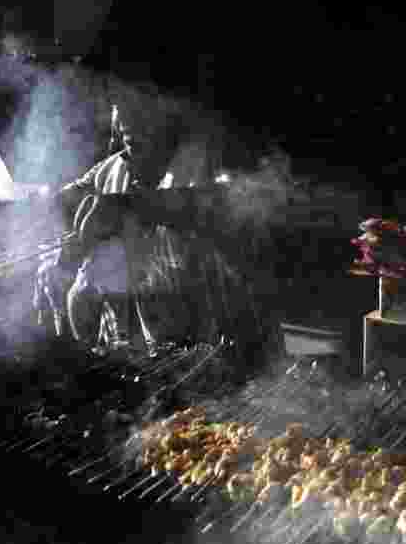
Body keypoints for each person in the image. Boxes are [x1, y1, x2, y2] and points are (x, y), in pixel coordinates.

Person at [40, 108, 283, 372]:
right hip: (151, 375)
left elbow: (236, 202)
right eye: (119, 102)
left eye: (140, 100)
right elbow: (61, 204)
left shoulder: (219, 157)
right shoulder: (110, 171)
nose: (127, 119)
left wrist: (135, 206)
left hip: (237, 371)